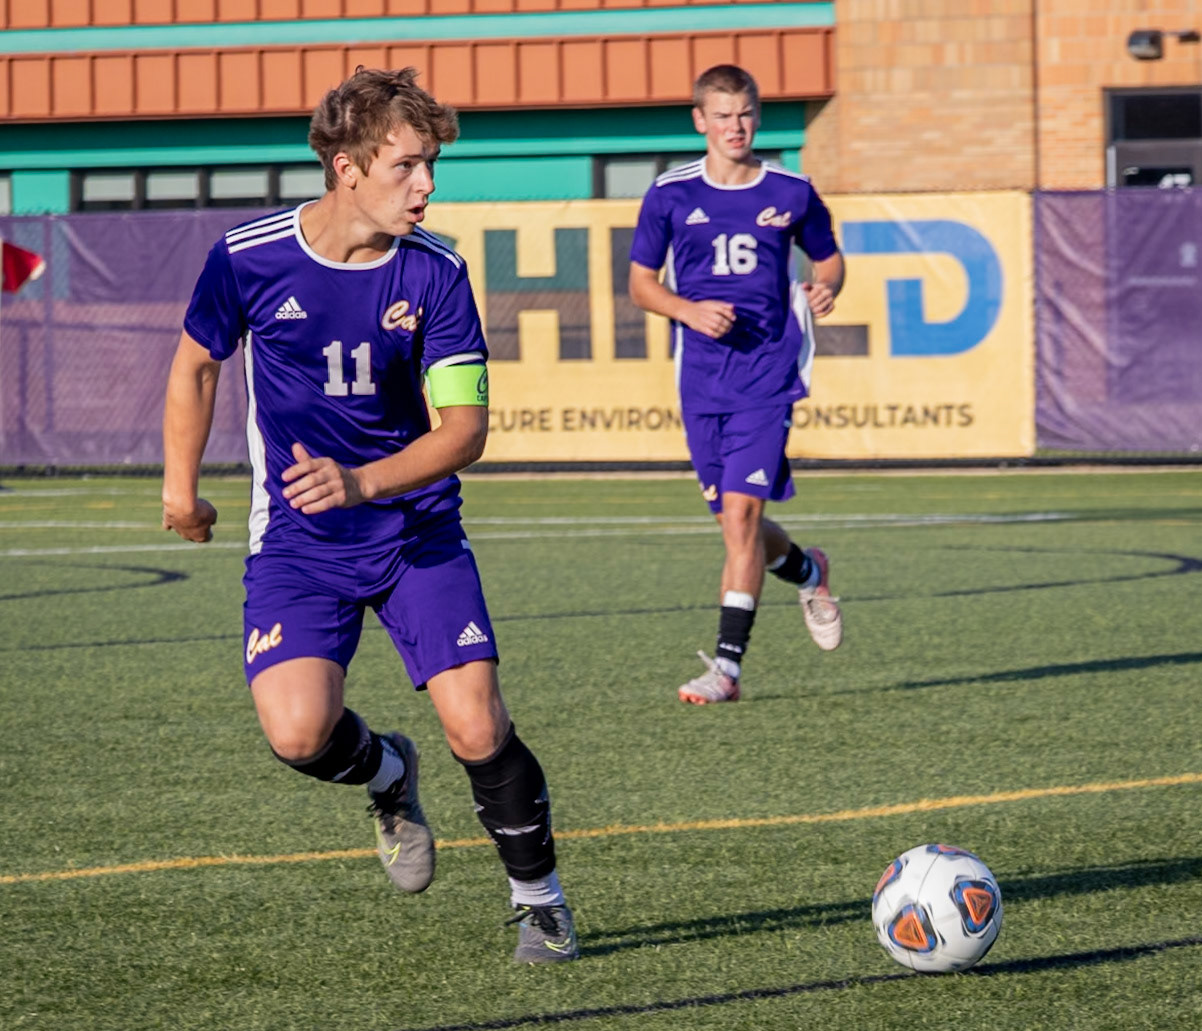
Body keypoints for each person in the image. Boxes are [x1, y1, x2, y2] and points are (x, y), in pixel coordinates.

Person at [161, 67, 577, 963]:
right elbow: (196, 364)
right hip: (299, 545)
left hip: (416, 529)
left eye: (431, 166)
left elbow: (464, 431)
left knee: (477, 723)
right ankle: (389, 773)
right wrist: (179, 488)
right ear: (346, 167)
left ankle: (538, 900)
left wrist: (364, 482)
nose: (426, 184)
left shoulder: (438, 273)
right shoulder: (249, 256)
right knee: (298, 733)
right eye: (407, 166)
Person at [628, 64, 847, 705]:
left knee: (744, 515)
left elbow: (828, 258)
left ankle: (726, 669)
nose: (736, 126)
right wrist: (687, 310)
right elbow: (641, 284)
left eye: (746, 113)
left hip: (768, 372)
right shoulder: (669, 195)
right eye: (722, 115)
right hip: (701, 379)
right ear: (700, 121)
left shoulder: (791, 190)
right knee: (736, 523)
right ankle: (809, 570)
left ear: (758, 116)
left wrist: (826, 286)